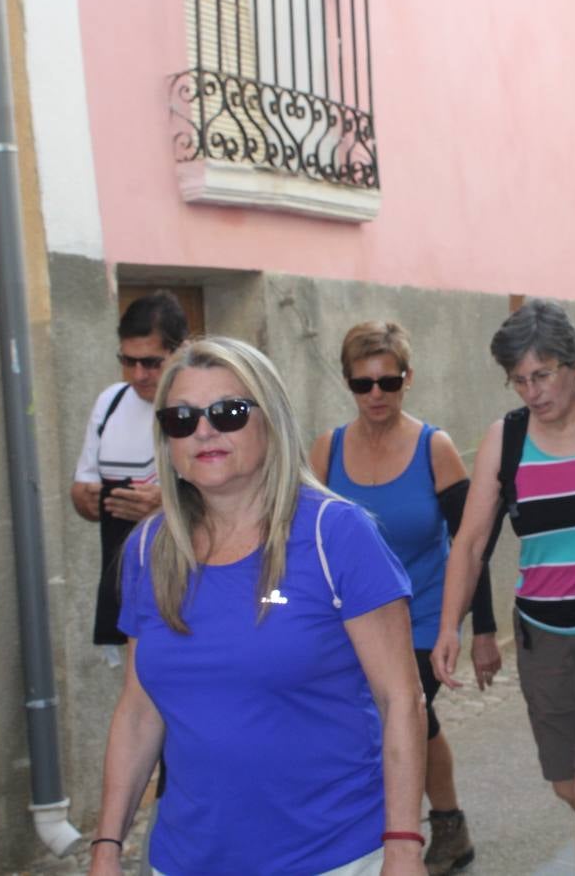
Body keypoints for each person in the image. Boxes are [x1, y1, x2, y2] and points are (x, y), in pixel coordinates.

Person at [90, 337, 427, 876]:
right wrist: (107, 847)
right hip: (185, 859)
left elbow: (401, 701)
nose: (204, 430)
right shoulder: (149, 551)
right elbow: (138, 710)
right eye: (182, 418)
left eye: (228, 412)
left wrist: (404, 845)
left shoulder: (336, 534)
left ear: (270, 421)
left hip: (334, 856)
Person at [432, 300, 575, 876]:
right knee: (568, 785)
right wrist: (450, 626)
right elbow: (471, 541)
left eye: (543, 374)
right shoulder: (506, 440)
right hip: (543, 638)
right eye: (519, 380)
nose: (532, 392)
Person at [310, 320, 498, 876]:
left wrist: (477, 629)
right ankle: (447, 822)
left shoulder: (433, 448)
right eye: (362, 384)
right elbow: (305, 537)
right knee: (407, 724)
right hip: (349, 623)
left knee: (399, 720)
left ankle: (393, 837)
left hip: (421, 620)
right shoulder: (328, 450)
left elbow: (472, 544)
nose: (375, 395)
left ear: (406, 379)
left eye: (387, 383)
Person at [72, 291, 189, 654]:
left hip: (189, 582)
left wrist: (169, 505)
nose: (138, 374)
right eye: (128, 361)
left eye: (151, 362)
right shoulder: (111, 402)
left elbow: (244, 494)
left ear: (180, 351)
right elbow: (82, 491)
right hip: (125, 580)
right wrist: (85, 498)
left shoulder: (201, 406)